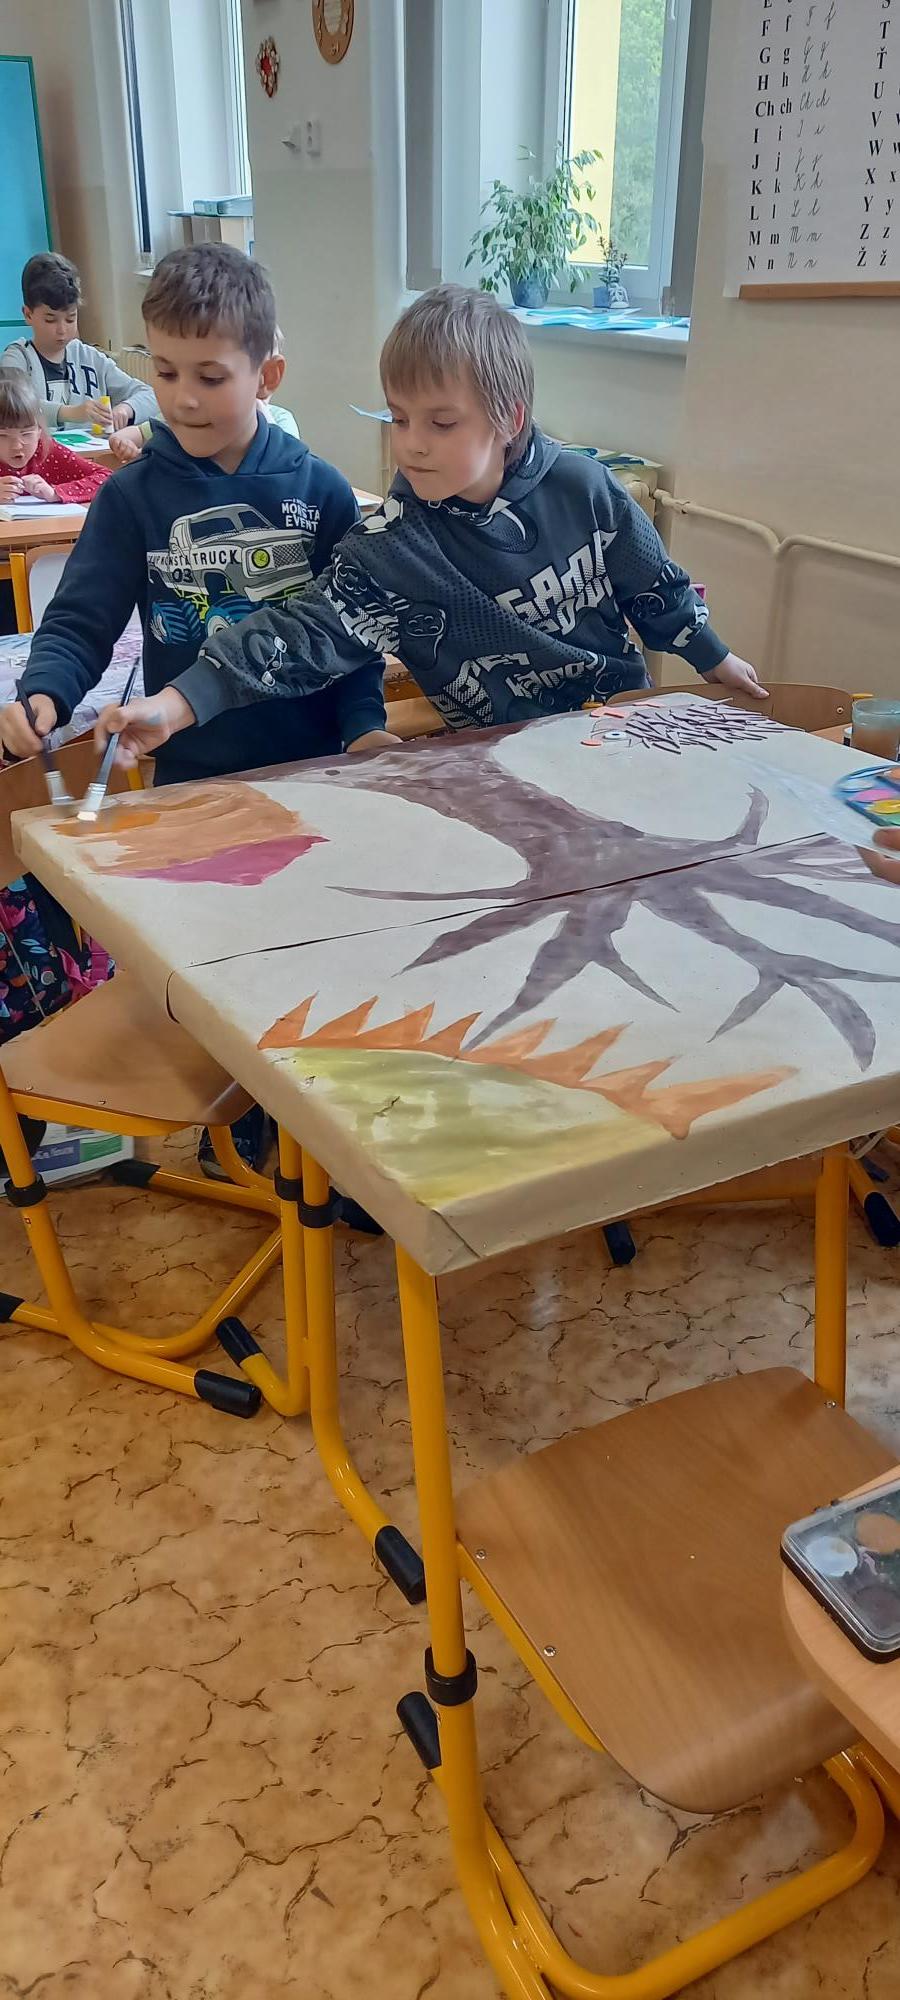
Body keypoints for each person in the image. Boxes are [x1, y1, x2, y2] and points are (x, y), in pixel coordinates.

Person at [0, 242, 391, 1181]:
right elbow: (81, 617)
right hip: (193, 779)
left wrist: (364, 726)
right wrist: (44, 691)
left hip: (310, 776)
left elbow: (349, 634)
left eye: (210, 376)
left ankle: (306, 1132)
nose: (181, 398)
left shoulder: (319, 492)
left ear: (268, 374)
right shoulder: (134, 496)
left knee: (315, 960)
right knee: (223, 970)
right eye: (165, 371)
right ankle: (243, 1134)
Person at [86, 281, 769, 767]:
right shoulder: (393, 547)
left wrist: (715, 658)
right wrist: (176, 704)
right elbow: (296, 636)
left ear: (509, 419)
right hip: (498, 760)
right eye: (398, 418)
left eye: (441, 423)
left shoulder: (584, 489)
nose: (410, 444)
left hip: (616, 732)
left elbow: (654, 584)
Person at [0, 253, 159, 434]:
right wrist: (71, 413)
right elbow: (11, 406)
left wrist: (126, 409)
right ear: (28, 314)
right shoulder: (17, 358)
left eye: (70, 318)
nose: (62, 330)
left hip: (93, 450)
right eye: (50, 320)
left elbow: (151, 395)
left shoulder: (90, 357)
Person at [107, 325, 300, 465]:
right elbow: (138, 432)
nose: (185, 401)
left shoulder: (280, 418)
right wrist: (123, 442)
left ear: (267, 379)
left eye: (211, 378)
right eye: (167, 373)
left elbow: (285, 461)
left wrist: (262, 413)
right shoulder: (184, 417)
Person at [0, 370, 110, 507]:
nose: (17, 446)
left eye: (26, 433)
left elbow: (107, 478)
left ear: (39, 431)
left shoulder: (46, 450)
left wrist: (55, 493)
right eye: (2, 436)